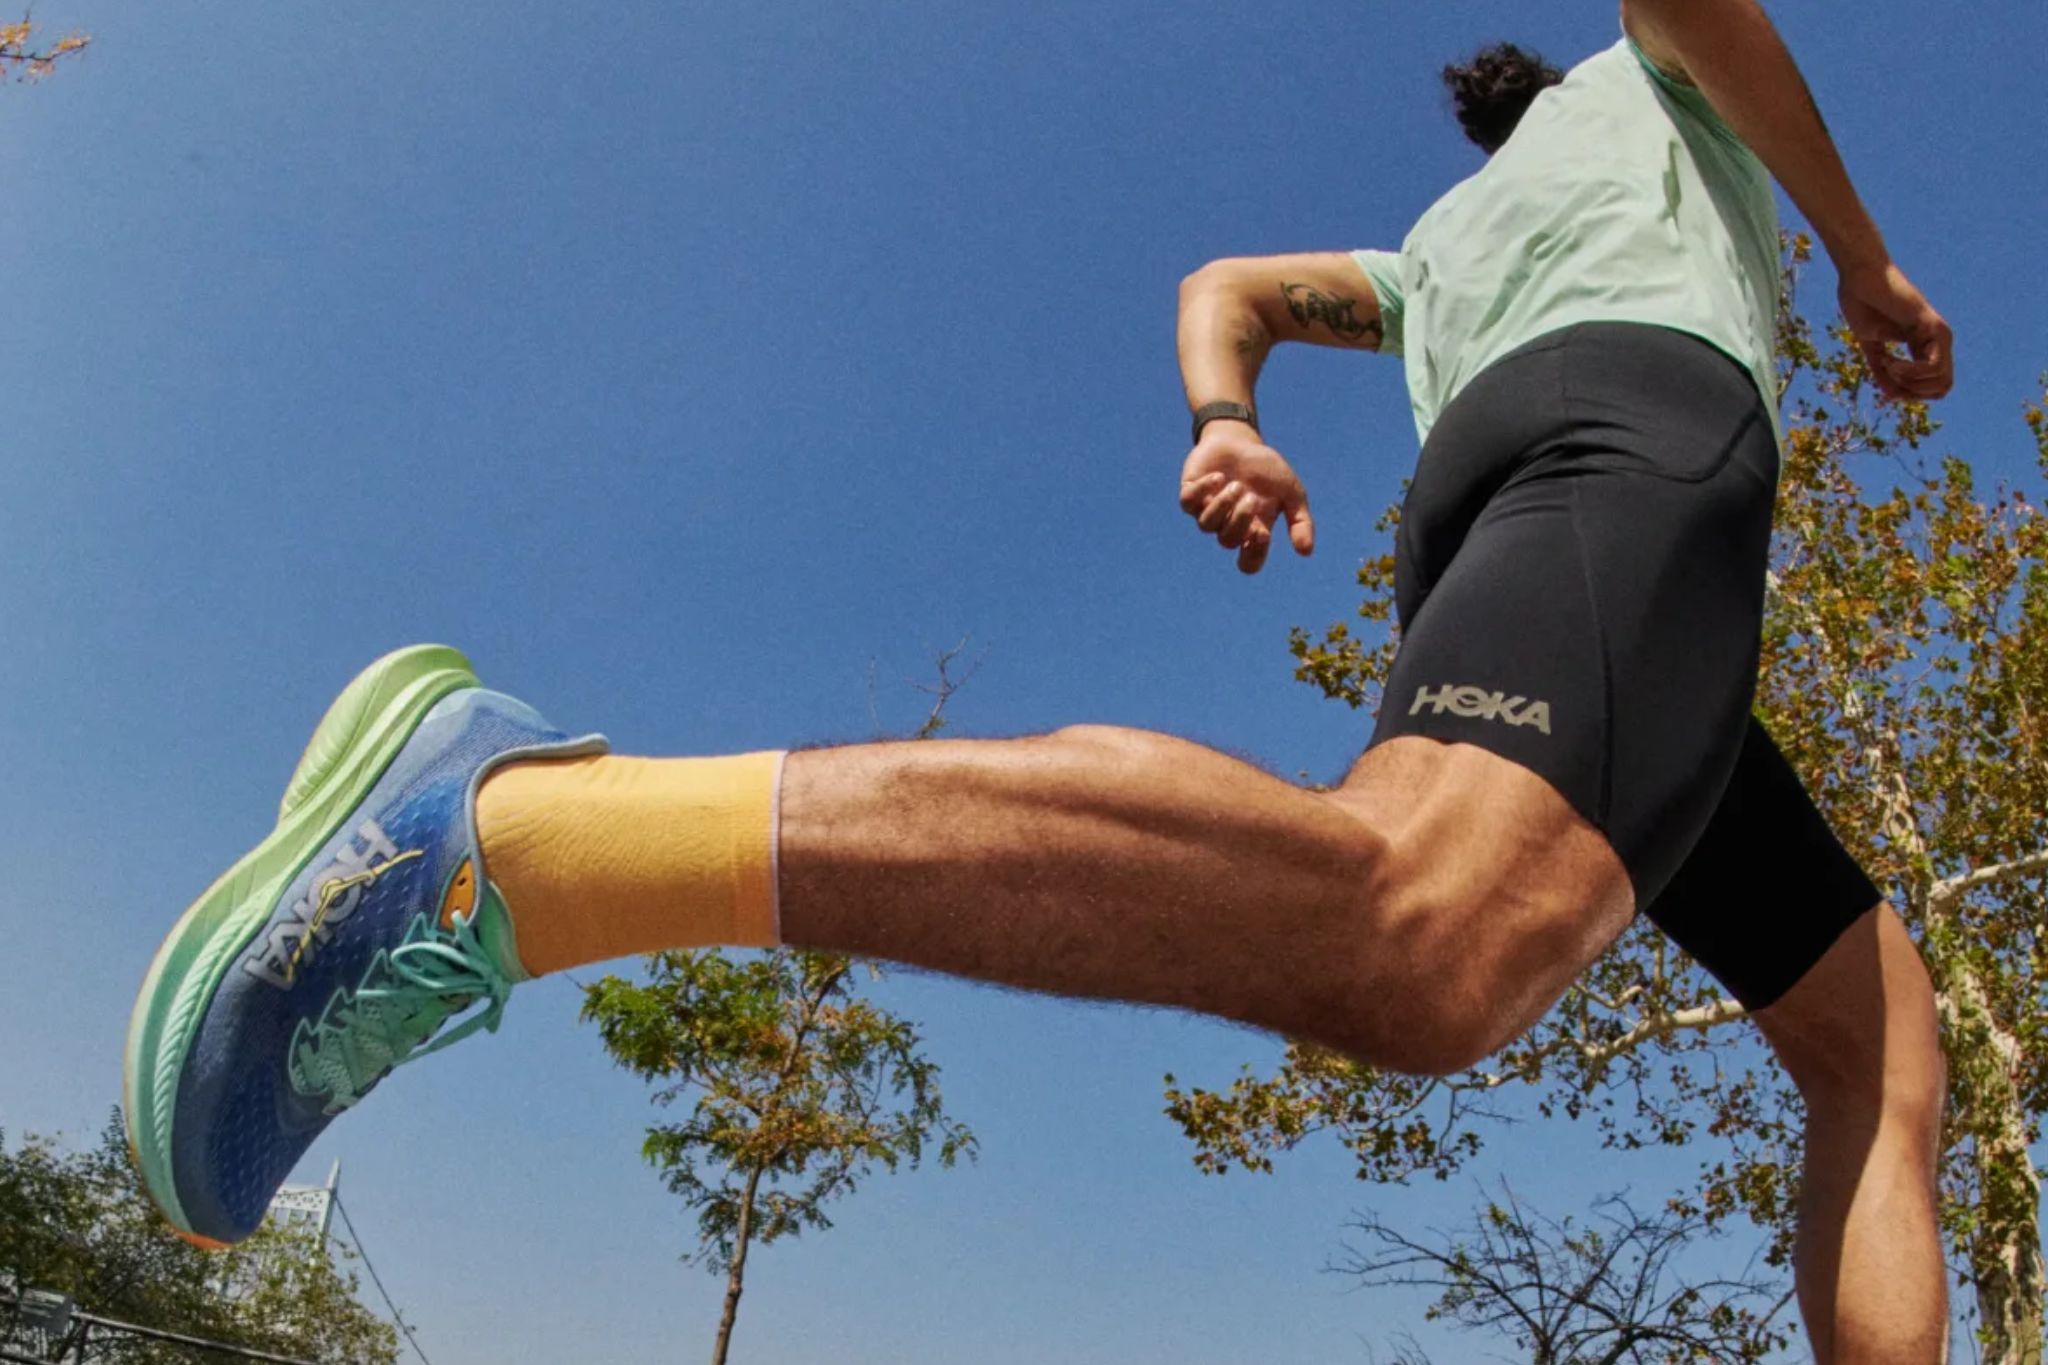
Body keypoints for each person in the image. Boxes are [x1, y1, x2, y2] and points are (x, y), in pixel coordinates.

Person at [125, 2, 1952, 1359]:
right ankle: (519, 847)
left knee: (1878, 1046)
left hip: (1519, 521)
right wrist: (1859, 259)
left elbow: (1221, 276)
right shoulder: (1654, 98)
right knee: (1430, 930)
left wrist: (1228, 418)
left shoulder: (1440, 248)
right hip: (1639, 449)